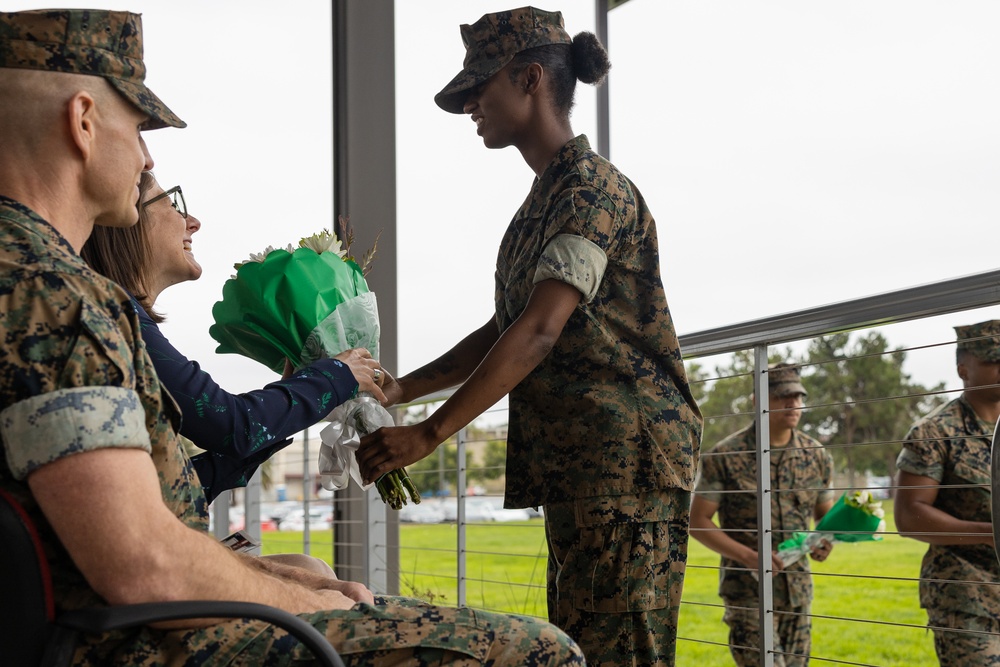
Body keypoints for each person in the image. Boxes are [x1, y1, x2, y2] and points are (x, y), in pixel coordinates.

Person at [0, 9, 585, 665]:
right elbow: (144, 565)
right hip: (132, 639)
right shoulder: (50, 293)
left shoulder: (36, 277)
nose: (145, 154)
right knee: (542, 651)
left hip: (117, 623)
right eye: (137, 126)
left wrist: (278, 579)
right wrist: (299, 601)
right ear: (82, 122)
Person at [355, 7, 703, 666]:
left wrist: (427, 434)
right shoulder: (539, 205)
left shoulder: (590, 191)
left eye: (478, 87)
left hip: (626, 470)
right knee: (581, 648)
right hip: (583, 472)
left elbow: (541, 330)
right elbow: (506, 325)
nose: (469, 106)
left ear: (531, 79)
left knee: (619, 655)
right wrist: (405, 388)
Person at [81, 171, 386, 503]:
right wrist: (336, 376)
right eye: (173, 203)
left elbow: (182, 486)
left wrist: (305, 393)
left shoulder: (117, 317)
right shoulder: (117, 318)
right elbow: (233, 426)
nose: (193, 222)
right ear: (128, 220)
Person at [690, 363, 834, 667]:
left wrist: (825, 539)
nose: (793, 404)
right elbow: (698, 521)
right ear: (758, 400)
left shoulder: (816, 454)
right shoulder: (725, 456)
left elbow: (825, 515)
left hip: (797, 591)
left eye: (798, 397)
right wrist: (746, 555)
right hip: (747, 592)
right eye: (783, 397)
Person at [895, 320, 1000, 666]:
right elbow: (910, 515)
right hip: (968, 597)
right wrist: (992, 535)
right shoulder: (934, 431)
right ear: (963, 369)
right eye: (994, 360)